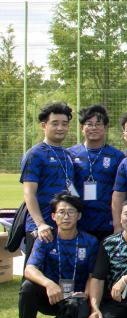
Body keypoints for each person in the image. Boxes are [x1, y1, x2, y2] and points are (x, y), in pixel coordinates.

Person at [14, 194, 99, 318]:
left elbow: (92, 275)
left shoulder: (90, 241)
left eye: (71, 212)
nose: (66, 216)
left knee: (79, 302)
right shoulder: (46, 238)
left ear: (79, 215)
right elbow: (30, 269)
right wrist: (49, 284)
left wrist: (86, 295)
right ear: (53, 216)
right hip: (51, 296)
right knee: (28, 287)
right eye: (61, 212)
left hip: (77, 297)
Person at [20, 102, 77, 253]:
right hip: (41, 228)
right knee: (34, 272)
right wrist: (40, 224)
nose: (60, 128)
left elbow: (71, 189)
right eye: (55, 123)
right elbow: (29, 193)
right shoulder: (35, 154)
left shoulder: (68, 155)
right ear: (44, 126)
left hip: (64, 225)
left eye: (64, 124)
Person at [69, 105, 125, 241]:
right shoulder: (70, 154)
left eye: (98, 124)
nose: (93, 128)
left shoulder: (117, 156)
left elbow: (121, 192)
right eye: (89, 124)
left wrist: (118, 223)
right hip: (78, 220)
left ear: (105, 128)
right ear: (82, 128)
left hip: (106, 221)